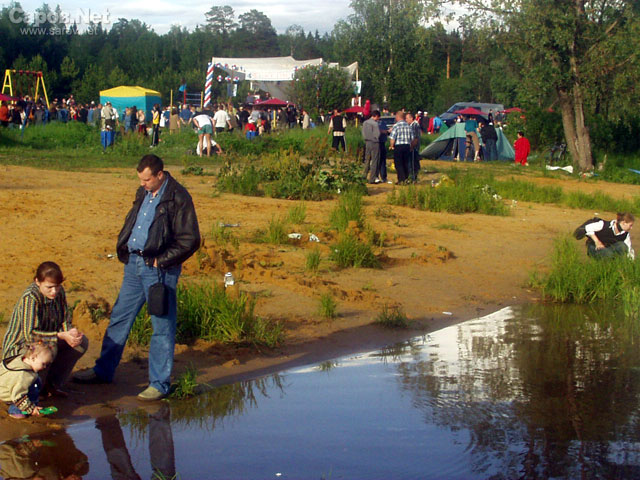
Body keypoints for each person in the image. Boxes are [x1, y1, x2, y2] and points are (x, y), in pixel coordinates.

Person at [74, 155, 200, 401]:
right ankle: (103, 371)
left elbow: (190, 239)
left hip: (159, 271)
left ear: (160, 175)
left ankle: (159, 384)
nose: (143, 184)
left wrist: (162, 260)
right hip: (134, 265)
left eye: (147, 179)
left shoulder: (178, 196)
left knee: (162, 326)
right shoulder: (143, 192)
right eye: (141, 179)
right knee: (119, 318)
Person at [2, 262, 88, 398]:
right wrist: (60, 336)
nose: (54, 291)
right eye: (49, 287)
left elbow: (64, 319)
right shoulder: (30, 298)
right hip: (21, 347)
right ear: (37, 282)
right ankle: (31, 391)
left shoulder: (59, 293)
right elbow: (30, 335)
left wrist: (70, 333)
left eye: (57, 286)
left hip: (47, 340)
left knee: (81, 343)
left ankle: (53, 384)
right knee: (49, 349)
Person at [0, 342, 53, 418]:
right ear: (33, 358)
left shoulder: (23, 359)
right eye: (43, 364)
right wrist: (31, 409)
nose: (45, 367)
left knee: (37, 380)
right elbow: (18, 397)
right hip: (9, 394)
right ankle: (16, 411)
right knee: (31, 388)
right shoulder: (23, 376)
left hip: (7, 384)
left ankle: (34, 398)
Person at [389, 111, 416, 184]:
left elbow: (393, 137)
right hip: (407, 146)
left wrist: (391, 145)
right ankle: (406, 178)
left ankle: (401, 179)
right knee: (406, 163)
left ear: (398, 117)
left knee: (398, 163)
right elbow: (412, 139)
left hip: (399, 146)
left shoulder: (396, 126)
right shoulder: (408, 126)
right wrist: (411, 147)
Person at [362, 110, 381, 184]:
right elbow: (377, 134)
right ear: (376, 116)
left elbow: (363, 133)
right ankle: (372, 178)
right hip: (374, 142)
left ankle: (364, 176)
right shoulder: (375, 124)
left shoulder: (365, 122)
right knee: (374, 160)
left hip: (367, 142)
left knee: (367, 159)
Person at [406, 112, 421, 181]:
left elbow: (415, 138)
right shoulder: (412, 125)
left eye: (407, 118)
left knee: (413, 163)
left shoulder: (414, 125)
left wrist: (411, 147)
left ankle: (413, 178)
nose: (406, 120)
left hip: (414, 147)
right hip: (413, 146)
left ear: (411, 118)